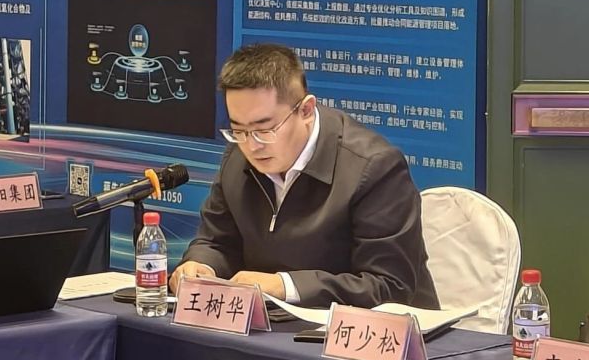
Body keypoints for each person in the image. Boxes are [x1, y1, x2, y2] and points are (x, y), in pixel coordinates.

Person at [169, 43, 439, 309]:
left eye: (265, 129)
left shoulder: (374, 167)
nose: (252, 145)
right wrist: (201, 265)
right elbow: (217, 241)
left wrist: (285, 286)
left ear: (306, 110)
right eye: (238, 130)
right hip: (272, 324)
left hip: (371, 331)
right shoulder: (238, 155)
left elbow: (389, 286)